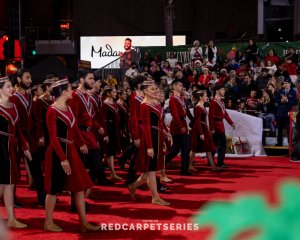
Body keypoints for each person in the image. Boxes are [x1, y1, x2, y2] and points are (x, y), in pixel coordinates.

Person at [44, 79, 100, 232]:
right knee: (53, 190)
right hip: (57, 152)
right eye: (69, 89)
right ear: (63, 92)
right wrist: (62, 159)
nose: (72, 91)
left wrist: (81, 143)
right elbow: (53, 138)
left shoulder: (68, 107)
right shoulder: (52, 110)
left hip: (71, 149)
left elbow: (74, 127)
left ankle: (84, 223)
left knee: (79, 187)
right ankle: (48, 222)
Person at [127, 80, 170, 206]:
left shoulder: (155, 103)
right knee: (151, 170)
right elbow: (146, 127)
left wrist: (166, 133)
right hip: (150, 137)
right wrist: (149, 147)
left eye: (156, 89)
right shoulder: (144, 105)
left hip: (157, 136)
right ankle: (155, 197)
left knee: (150, 171)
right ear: (145, 91)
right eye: (152, 89)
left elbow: (160, 122)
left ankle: (133, 186)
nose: (155, 91)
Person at [11, 69, 46, 206]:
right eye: (27, 77)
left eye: (30, 77)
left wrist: (40, 135)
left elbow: (36, 118)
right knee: (15, 169)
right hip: (17, 136)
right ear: (19, 80)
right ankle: (12, 200)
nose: (30, 80)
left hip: (31, 137)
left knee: (36, 168)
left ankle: (42, 198)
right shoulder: (13, 97)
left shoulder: (31, 97)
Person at [0, 76, 31, 229]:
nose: (11, 89)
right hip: (0, 148)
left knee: (10, 184)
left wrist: (25, 147)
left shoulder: (13, 106)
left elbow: (18, 129)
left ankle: (11, 218)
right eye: (7, 87)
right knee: (2, 184)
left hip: (12, 147)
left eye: (11, 86)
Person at [165, 79, 191, 176]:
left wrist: (192, 119)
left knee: (179, 148)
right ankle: (184, 170)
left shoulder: (182, 98)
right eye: (180, 85)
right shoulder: (173, 99)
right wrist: (180, 126)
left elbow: (186, 110)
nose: (182, 87)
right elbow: (174, 114)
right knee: (181, 148)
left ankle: (165, 162)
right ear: (174, 87)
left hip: (182, 122)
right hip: (177, 125)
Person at [190, 91, 219, 171]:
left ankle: (213, 166)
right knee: (194, 148)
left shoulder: (202, 106)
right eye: (205, 96)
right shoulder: (198, 107)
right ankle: (189, 165)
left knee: (208, 148)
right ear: (200, 97)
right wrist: (201, 133)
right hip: (199, 129)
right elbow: (197, 121)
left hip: (204, 128)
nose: (207, 97)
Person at [209, 85, 235, 167]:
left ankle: (211, 162)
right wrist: (212, 128)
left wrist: (231, 123)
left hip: (220, 124)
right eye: (222, 89)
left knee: (215, 144)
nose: (224, 91)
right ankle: (219, 162)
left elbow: (225, 114)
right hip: (217, 125)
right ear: (217, 91)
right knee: (222, 144)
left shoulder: (221, 101)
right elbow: (210, 116)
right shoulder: (213, 102)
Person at [101, 86, 122, 180]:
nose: (116, 93)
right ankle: (112, 172)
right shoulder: (104, 104)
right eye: (114, 92)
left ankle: (111, 171)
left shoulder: (114, 103)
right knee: (110, 152)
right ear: (108, 93)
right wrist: (105, 133)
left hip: (115, 129)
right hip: (108, 129)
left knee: (112, 152)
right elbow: (103, 119)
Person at [275, 78, 297, 146]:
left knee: (288, 129)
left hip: (288, 113)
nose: (285, 84)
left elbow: (295, 102)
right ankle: (279, 142)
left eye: (286, 83)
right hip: (280, 112)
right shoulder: (280, 91)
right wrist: (281, 101)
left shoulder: (293, 92)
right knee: (279, 128)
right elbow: (276, 99)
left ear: (289, 84)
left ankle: (289, 143)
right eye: (284, 83)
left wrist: (287, 101)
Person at [117, 89, 130, 156]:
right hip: (121, 127)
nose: (125, 96)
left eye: (125, 94)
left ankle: (126, 157)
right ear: (119, 95)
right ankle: (123, 158)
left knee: (127, 142)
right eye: (124, 94)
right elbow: (118, 118)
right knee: (123, 142)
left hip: (126, 125)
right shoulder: (117, 104)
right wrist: (121, 129)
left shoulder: (124, 103)